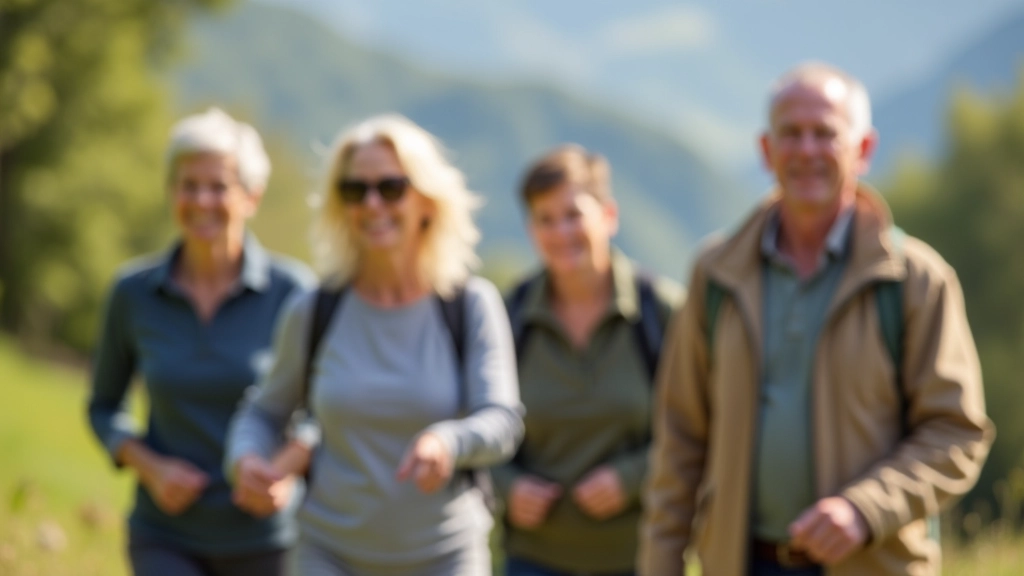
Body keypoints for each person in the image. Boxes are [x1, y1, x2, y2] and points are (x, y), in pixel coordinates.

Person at [639, 62, 995, 576]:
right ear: (766, 150)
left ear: (863, 149)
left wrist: (865, 509)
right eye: (791, 133)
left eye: (825, 133)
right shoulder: (716, 274)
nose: (806, 150)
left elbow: (956, 434)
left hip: (873, 565)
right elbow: (679, 442)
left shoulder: (916, 280)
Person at [224, 114, 523, 576]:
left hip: (446, 555)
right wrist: (245, 459)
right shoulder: (314, 309)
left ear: (427, 201)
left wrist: (449, 441)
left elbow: (503, 421)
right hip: (329, 555)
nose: (371, 203)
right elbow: (265, 412)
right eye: (353, 190)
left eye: (390, 187)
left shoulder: (469, 306)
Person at [87, 108, 316, 576]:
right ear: (171, 192)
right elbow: (104, 407)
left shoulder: (293, 292)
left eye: (218, 186)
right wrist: (150, 467)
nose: (201, 200)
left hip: (270, 539)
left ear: (251, 196)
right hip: (164, 535)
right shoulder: (132, 292)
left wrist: (287, 470)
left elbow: (328, 409)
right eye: (188, 185)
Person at [496, 145, 683, 576]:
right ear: (530, 229)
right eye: (545, 219)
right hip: (532, 561)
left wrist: (633, 478)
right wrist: (507, 486)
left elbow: (704, 429)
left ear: (609, 216)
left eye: (573, 215)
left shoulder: (662, 312)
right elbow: (473, 423)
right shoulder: (509, 318)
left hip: (643, 557)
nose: (561, 232)